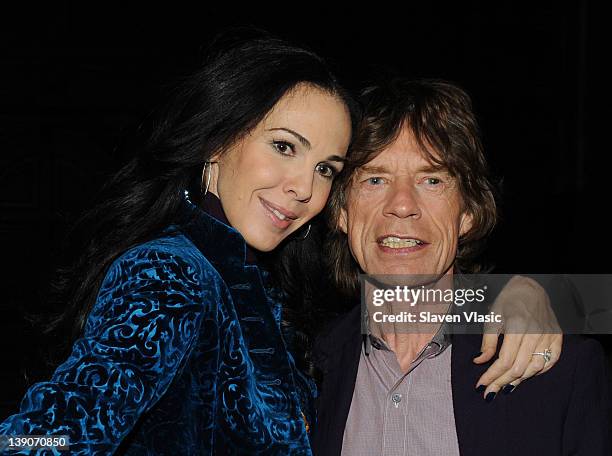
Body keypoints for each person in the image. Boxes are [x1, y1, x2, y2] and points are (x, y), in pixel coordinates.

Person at [0, 35, 568, 455]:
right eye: (284, 146)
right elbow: (43, 435)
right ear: (218, 142)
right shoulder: (170, 273)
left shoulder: (275, 308)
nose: (304, 187)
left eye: (326, 167)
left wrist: (529, 293)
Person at [311, 78, 612, 455]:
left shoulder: (559, 373)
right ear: (341, 211)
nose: (402, 205)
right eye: (375, 179)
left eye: (432, 180)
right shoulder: (302, 370)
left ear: (467, 213)